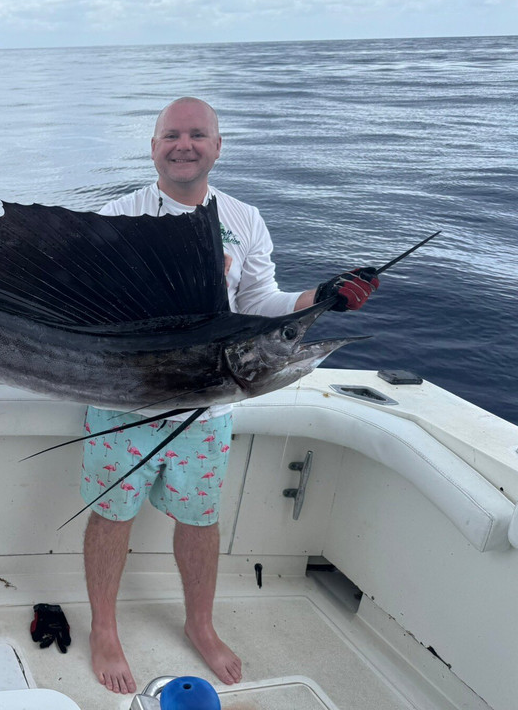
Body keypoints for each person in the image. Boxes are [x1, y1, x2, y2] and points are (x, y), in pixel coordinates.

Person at [82, 97, 378, 694]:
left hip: (209, 408)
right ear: (153, 146)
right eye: (171, 135)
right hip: (123, 403)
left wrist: (314, 300)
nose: (182, 145)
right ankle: (105, 630)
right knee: (112, 515)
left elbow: (259, 306)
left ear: (218, 146)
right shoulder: (120, 215)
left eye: (196, 135)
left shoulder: (245, 220)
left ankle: (200, 624)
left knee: (200, 519)